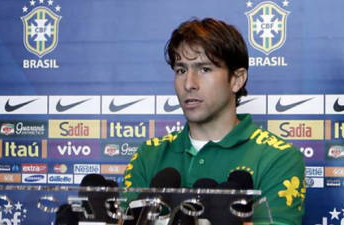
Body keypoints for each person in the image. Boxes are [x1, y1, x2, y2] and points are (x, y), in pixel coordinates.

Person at [122, 18, 305, 225]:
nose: (189, 84)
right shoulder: (149, 155)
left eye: (204, 69)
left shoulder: (278, 158)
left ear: (237, 79)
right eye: (181, 70)